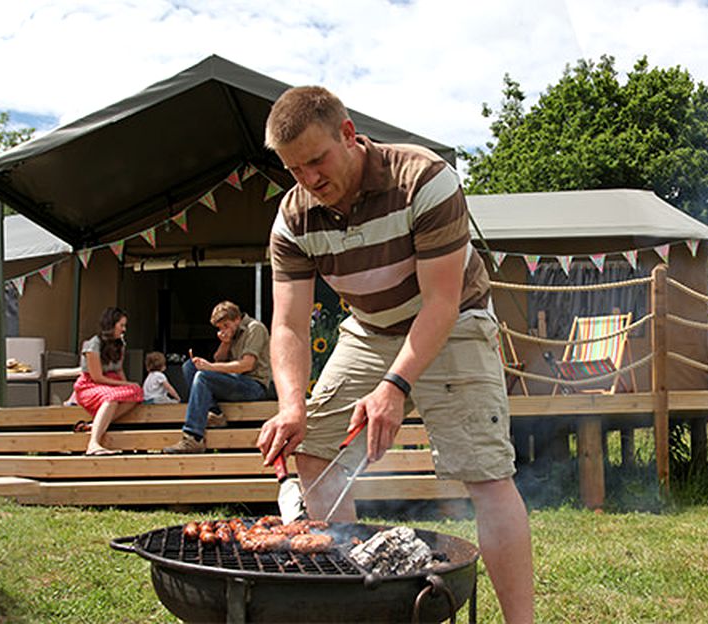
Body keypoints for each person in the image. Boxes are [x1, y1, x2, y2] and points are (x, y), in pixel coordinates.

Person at [255, 86, 535, 622]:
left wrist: (394, 385)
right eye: (294, 169)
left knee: (485, 474)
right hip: (369, 329)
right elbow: (288, 324)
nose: (309, 179)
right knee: (314, 449)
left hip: (454, 321)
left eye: (317, 160)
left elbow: (441, 303)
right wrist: (292, 405)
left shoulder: (425, 180)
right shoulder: (293, 220)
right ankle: (349, 603)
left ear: (348, 134)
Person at [162, 301, 273, 454]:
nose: (223, 330)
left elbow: (247, 365)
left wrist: (210, 367)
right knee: (190, 367)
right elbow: (218, 359)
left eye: (226, 325)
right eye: (220, 328)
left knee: (203, 377)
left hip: (254, 385)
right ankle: (214, 412)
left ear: (237, 319)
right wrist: (225, 342)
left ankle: (193, 437)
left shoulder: (254, 329)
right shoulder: (233, 332)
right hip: (234, 381)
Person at [73, 307, 143, 455]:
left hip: (112, 383)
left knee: (137, 392)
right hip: (91, 385)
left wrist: (128, 389)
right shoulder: (93, 344)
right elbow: (97, 377)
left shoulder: (120, 344)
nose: (124, 329)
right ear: (111, 325)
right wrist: (125, 385)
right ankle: (93, 444)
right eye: (121, 325)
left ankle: (95, 424)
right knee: (112, 398)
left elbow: (119, 370)